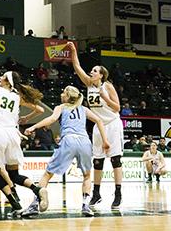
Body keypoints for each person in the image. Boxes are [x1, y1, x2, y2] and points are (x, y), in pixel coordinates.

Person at [22, 86, 110, 217]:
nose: (61, 94)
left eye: (64, 92)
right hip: (84, 141)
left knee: (47, 174)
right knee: (86, 176)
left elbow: (51, 120)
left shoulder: (61, 107)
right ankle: (86, 206)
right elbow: (99, 120)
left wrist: (34, 126)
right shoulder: (83, 109)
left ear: (68, 97)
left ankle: (35, 204)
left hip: (69, 140)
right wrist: (105, 141)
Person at [66, 42, 123, 209]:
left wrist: (105, 97)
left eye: (95, 71)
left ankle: (118, 192)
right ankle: (96, 194)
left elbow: (117, 108)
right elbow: (77, 67)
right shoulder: (89, 84)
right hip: (99, 126)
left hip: (112, 124)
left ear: (101, 75)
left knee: (115, 160)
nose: (92, 72)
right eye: (92, 70)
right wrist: (74, 51)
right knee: (98, 161)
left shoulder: (108, 86)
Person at [0, 71, 45, 214]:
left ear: (7, 81)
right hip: (13, 134)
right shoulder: (17, 97)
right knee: (14, 175)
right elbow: (40, 109)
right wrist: (26, 117)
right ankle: (38, 189)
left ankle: (16, 205)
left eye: (2, 76)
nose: (0, 78)